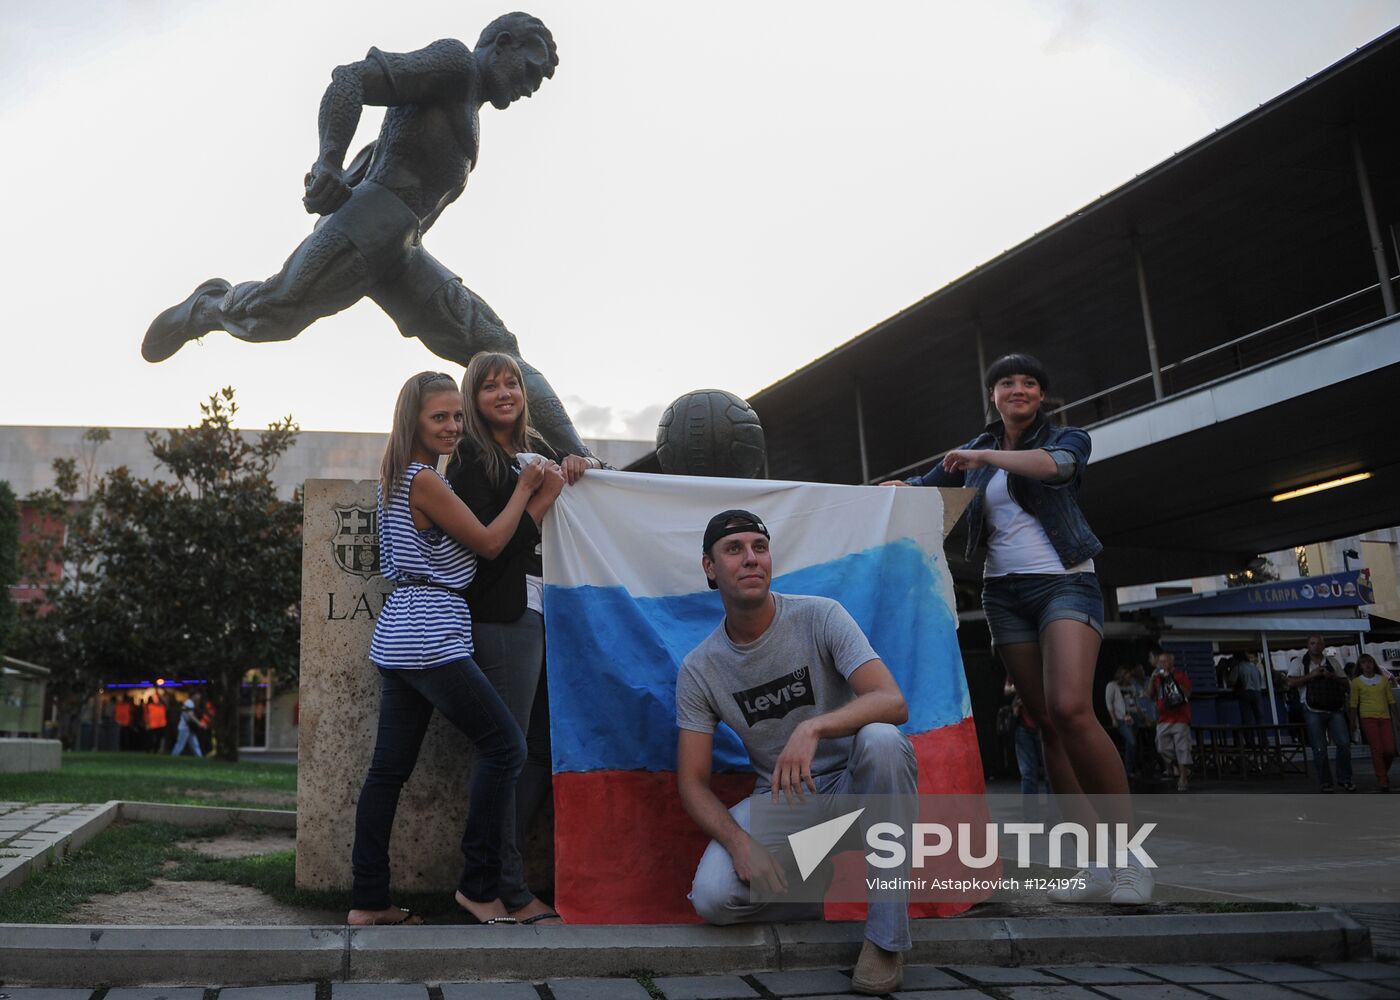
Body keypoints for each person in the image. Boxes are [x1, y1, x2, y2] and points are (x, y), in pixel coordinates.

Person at [142, 14, 594, 461]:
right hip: (369, 221)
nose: (531, 87)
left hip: (403, 249)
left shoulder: (470, 111)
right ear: (503, 43)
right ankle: (206, 308)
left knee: (497, 351)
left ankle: (581, 460)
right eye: (530, 69)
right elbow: (350, 80)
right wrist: (328, 163)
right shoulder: (455, 64)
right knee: (270, 316)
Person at [882, 353, 1150, 904]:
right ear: (993, 396)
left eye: (1029, 382)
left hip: (1064, 583)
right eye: (1007, 382)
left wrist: (984, 453)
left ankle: (1131, 860)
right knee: (1047, 724)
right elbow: (921, 489)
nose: (1018, 389)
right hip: (1003, 595)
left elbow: (1055, 468)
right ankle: (1094, 865)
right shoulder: (974, 457)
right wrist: (881, 490)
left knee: (1072, 708)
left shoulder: (1068, 439)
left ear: (1041, 396)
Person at [676, 510, 917, 995]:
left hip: (858, 786)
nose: (750, 559)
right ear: (709, 567)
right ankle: (808, 886)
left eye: (758, 547)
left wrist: (813, 727)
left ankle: (887, 939)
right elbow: (692, 783)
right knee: (713, 897)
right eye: (734, 549)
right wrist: (739, 842)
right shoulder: (700, 669)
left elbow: (891, 702)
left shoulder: (819, 615)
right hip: (787, 802)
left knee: (882, 740)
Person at [347, 370, 548, 928]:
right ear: (413, 419)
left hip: (400, 632)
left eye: (458, 416)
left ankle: (369, 901)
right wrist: (527, 488)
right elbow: (487, 543)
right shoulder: (424, 481)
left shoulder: (394, 479)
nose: (454, 427)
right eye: (441, 417)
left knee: (388, 770)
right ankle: (478, 888)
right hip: (432, 631)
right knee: (507, 746)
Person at [446, 351, 591, 925]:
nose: (505, 392)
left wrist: (574, 468)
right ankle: (500, 885)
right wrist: (541, 494)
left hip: (542, 610)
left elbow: (568, 494)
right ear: (472, 399)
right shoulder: (469, 461)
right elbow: (490, 549)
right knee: (507, 752)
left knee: (536, 747)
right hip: (501, 616)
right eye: (490, 386)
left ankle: (508, 880)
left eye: (513, 382)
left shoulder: (533, 454)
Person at [1287, 634, 1354, 793]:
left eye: (1319, 643)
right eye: (1312, 643)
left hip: (1334, 707)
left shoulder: (1332, 662)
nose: (1316, 646)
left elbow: (1346, 682)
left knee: (1344, 743)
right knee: (1319, 747)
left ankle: (1345, 778)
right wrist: (1312, 675)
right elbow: (1290, 682)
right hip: (1312, 709)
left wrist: (1332, 676)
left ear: (1324, 646)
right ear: (1308, 645)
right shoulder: (1299, 662)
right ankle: (1326, 781)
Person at [1148, 648, 1193, 791]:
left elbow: (1187, 694)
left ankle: (1183, 779)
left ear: (1171, 662)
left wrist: (1170, 678)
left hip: (1180, 717)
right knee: (1161, 747)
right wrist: (1152, 678)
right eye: (1159, 662)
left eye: (1165, 661)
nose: (1161, 664)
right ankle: (1179, 766)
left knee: (1182, 747)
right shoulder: (1157, 678)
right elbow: (1150, 695)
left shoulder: (1180, 675)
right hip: (1163, 719)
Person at [1350, 654, 1397, 792]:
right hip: (1368, 717)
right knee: (1377, 749)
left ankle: (1383, 772)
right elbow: (1353, 703)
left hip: (1385, 717)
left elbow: (1391, 701)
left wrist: (1397, 718)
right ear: (1360, 666)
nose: (1367, 665)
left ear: (1373, 663)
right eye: (1364, 663)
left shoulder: (1383, 680)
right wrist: (1353, 721)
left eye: (1369, 662)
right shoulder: (1357, 682)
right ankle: (1382, 779)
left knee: (1390, 750)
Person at [1105, 667, 1138, 781]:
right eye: (1127, 675)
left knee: (1132, 744)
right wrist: (1113, 719)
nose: (1129, 677)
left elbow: (1136, 702)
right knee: (1131, 742)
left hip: (1133, 716)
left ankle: (1131, 768)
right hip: (1121, 718)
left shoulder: (1131, 686)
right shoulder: (1112, 686)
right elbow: (1109, 703)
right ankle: (1128, 770)